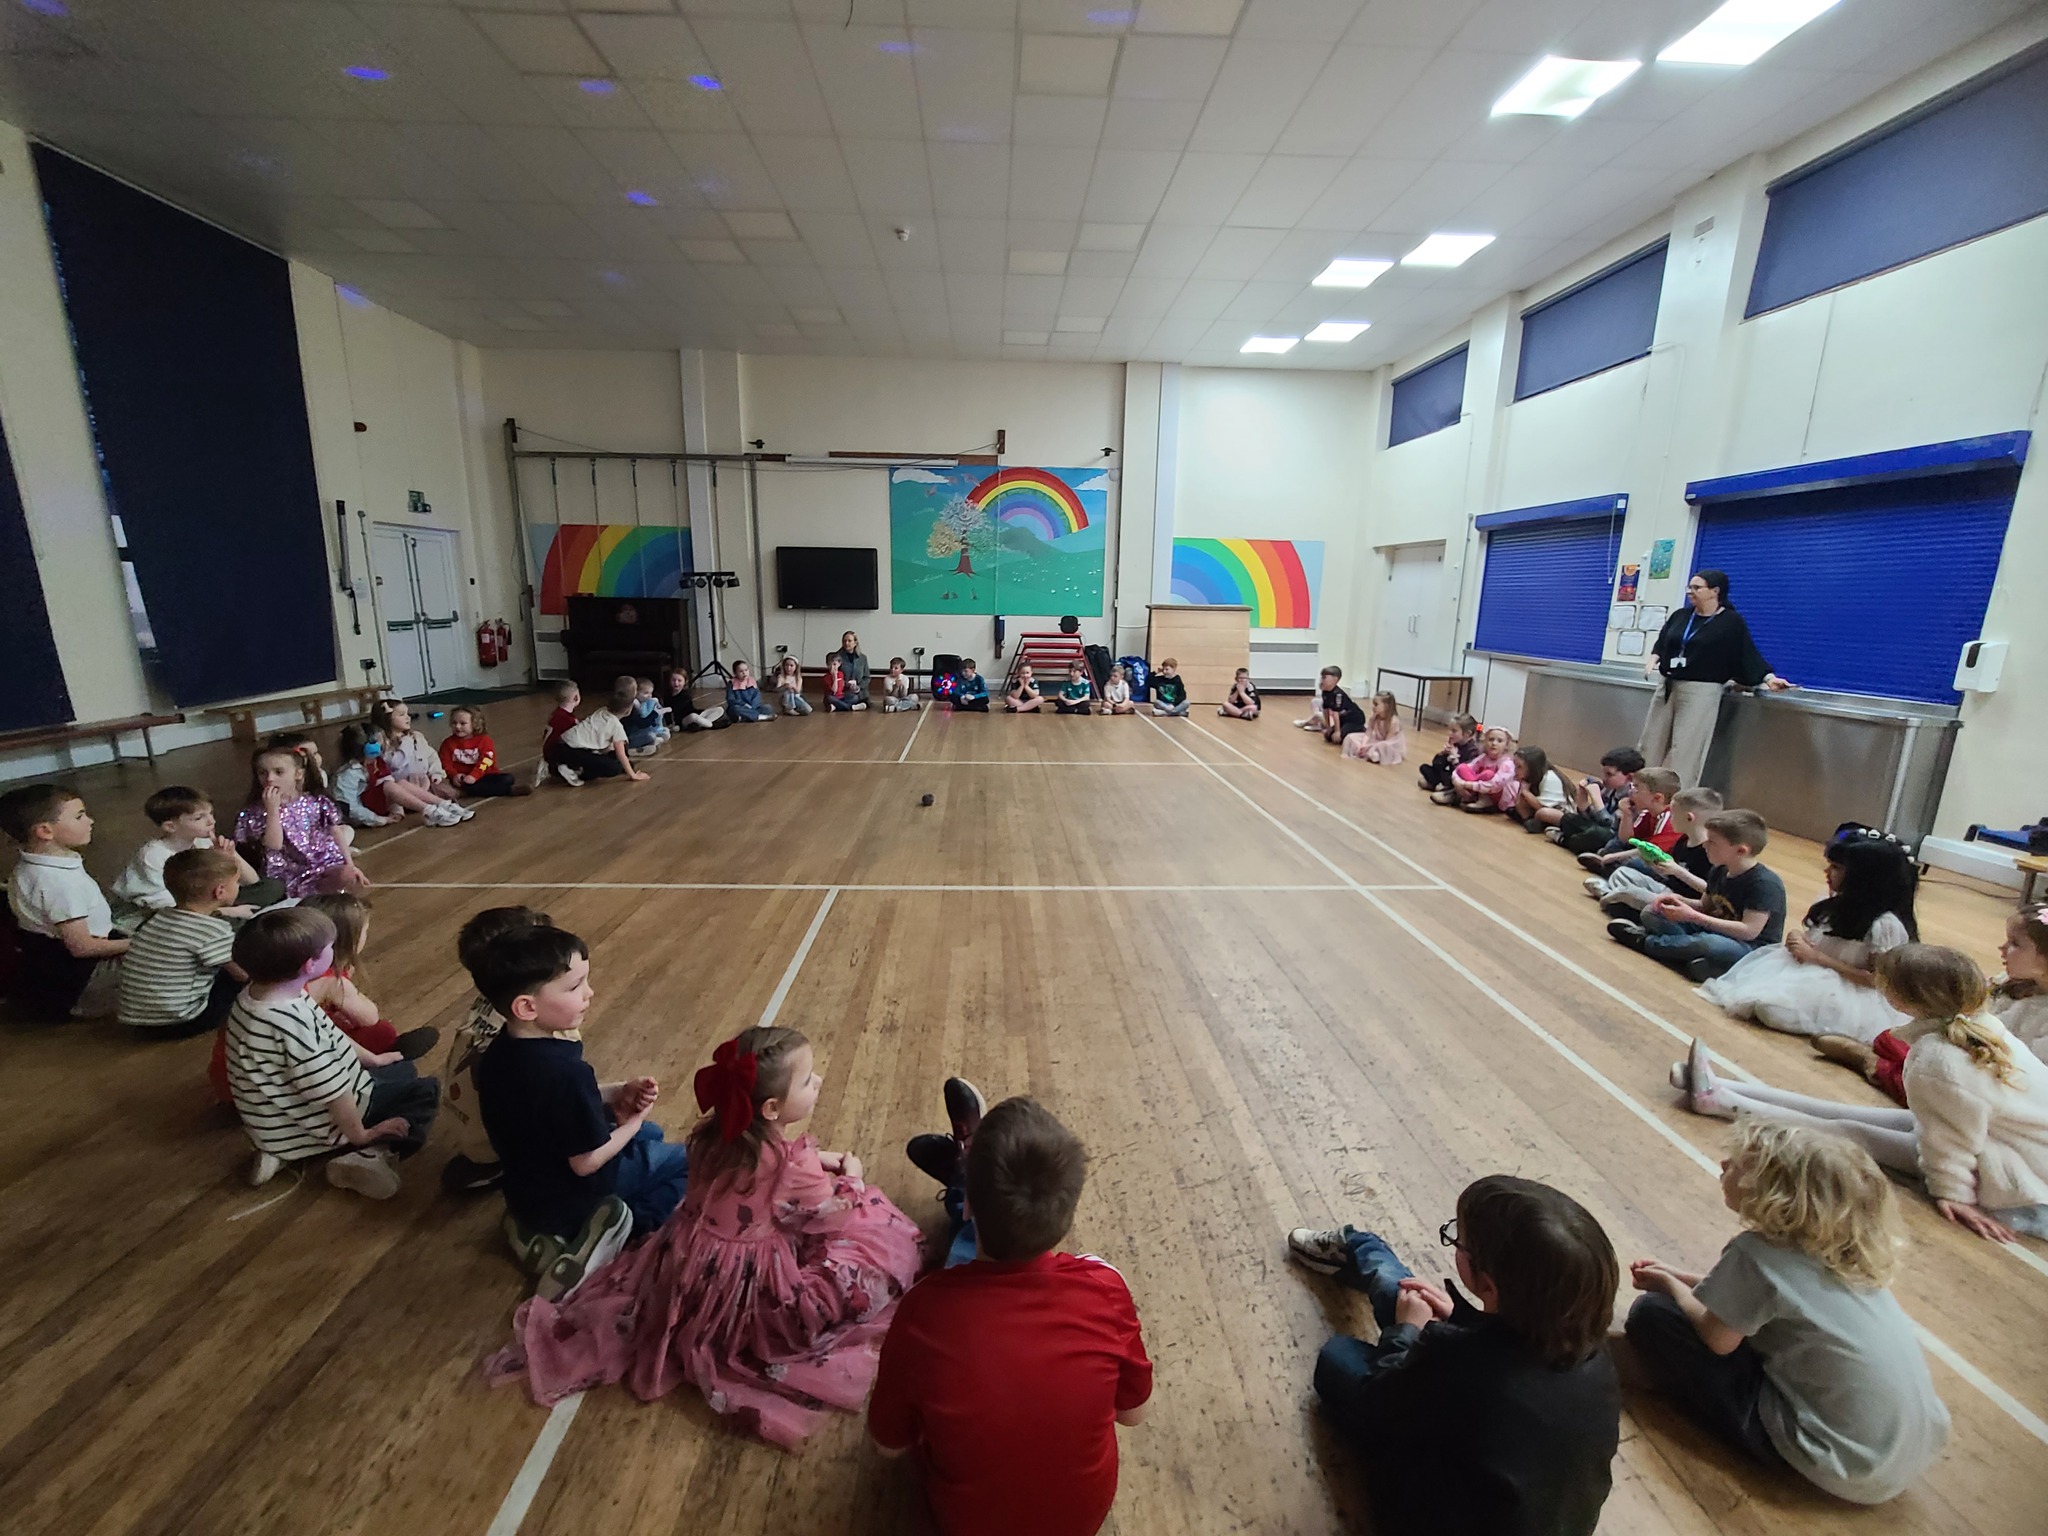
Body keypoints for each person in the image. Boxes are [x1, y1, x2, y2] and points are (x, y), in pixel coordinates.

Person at [486, 1025, 922, 1449]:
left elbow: (756, 1177)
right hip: (744, 1282)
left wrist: (805, 1163)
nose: (818, 1082)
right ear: (771, 1108)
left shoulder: (713, 1135)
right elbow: (827, 1216)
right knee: (871, 1236)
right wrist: (853, 1179)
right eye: (808, 1080)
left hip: (683, 1259)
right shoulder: (793, 1166)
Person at [869, 1095, 1154, 1536]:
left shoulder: (922, 1311)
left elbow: (888, 1446)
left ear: (970, 1204)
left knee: (959, 1268)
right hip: (1080, 1523)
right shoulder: (1105, 1288)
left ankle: (962, 1173)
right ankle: (967, 1169)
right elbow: (1132, 1414)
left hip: (965, 1525)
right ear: (1068, 1213)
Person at [1624, 1121, 1950, 1503]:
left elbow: (1716, 1338)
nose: (1724, 1165)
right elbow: (1756, 1300)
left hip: (1832, 1459)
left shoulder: (1757, 1252)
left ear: (1775, 1195)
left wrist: (1671, 1286)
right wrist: (1680, 1277)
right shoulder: (1846, 1257)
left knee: (1653, 1315)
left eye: (1739, 1165)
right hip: (1900, 1456)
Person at [1287, 1176, 1621, 1536]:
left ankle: (1363, 1247)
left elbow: (1376, 1405)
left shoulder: (1452, 1356)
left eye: (1458, 1240)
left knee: (1339, 1355)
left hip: (1430, 1514)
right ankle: (1364, 1250)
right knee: (1415, 1301)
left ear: (1488, 1285)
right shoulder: (1597, 1358)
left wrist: (1408, 1331)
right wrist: (1461, 1318)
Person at [1672, 944, 2048, 1243]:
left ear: (1902, 1000)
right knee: (1862, 1117)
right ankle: (1725, 1088)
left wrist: (1953, 1193)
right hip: (2006, 1147)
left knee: (1854, 1133)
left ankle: (1718, 1100)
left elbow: (1952, 1141)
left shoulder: (1941, 1061)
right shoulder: (1976, 1026)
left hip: (2016, 1176)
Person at [471, 924, 691, 1299]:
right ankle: (619, 1231)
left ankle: (536, 1231)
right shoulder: (564, 1073)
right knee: (689, 1162)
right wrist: (632, 1123)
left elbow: (543, 1104)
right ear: (527, 1007)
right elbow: (586, 1162)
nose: (589, 993)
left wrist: (616, 1091)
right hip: (577, 1194)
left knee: (652, 1136)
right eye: (575, 987)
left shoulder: (498, 1053)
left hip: (528, 1192)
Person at [225, 906, 438, 1198]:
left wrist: (374, 1059)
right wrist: (360, 1134)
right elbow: (333, 1090)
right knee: (426, 1090)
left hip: (275, 1123)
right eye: (329, 947)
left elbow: (328, 1032)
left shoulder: (256, 997)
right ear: (309, 965)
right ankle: (372, 1154)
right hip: (325, 1121)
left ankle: (283, 1151)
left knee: (401, 1068)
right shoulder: (291, 1023)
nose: (334, 949)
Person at [1817, 904, 2048, 1104]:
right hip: (1974, 1051)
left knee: (1932, 1080)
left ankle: (1875, 1066)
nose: (2002, 948)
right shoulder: (2012, 982)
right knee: (1890, 1040)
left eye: (2015, 944)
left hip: (2001, 1085)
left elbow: (2025, 1080)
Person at [1701, 829, 1918, 1040]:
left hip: (1848, 989)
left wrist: (1817, 958)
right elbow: (1818, 937)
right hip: (1808, 970)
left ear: (1865, 878)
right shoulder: (1833, 902)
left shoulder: (1885, 925)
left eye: (1836, 867)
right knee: (1753, 998)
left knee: (1771, 1011)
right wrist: (1797, 937)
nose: (1827, 871)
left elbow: (1877, 981)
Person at [439, 904, 556, 1196]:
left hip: (464, 1128)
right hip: (493, 1142)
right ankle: (506, 1165)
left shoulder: (487, 1002)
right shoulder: (535, 1026)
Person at [1640, 569, 1792, 789]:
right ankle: (1642, 790)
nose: (1690, 592)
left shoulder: (1730, 622)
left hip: (1701, 691)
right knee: (1651, 740)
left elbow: (1746, 654)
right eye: (1689, 587)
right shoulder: (1681, 616)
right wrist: (1654, 658)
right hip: (1668, 684)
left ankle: (1680, 796)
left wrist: (1768, 678)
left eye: (1696, 587)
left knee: (1687, 748)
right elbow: (1663, 642)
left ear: (1715, 591)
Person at [1608, 809, 1785, 982]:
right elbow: (1704, 906)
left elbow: (1749, 931)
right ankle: (1697, 960)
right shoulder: (1719, 870)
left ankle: (1646, 942)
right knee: (1652, 913)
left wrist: (1693, 916)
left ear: (1740, 850)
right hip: (1715, 930)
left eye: (1712, 842)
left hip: (1750, 950)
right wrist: (1678, 901)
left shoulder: (1764, 884)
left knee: (1708, 943)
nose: (1705, 845)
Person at [117, 848, 246, 1038]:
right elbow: (243, 974)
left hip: (137, 1019)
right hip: (180, 1021)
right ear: (220, 891)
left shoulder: (158, 917)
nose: (238, 886)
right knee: (241, 976)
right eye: (236, 882)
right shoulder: (212, 929)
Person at [112, 785, 278, 921]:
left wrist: (229, 857)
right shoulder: (153, 856)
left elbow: (253, 882)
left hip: (205, 903)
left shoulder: (202, 842)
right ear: (170, 826)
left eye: (210, 814)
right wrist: (227, 911)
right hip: (158, 916)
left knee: (272, 887)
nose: (211, 821)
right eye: (199, 818)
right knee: (232, 919)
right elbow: (171, 908)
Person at [1583, 784, 1720, 911]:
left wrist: (1678, 871)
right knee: (1622, 873)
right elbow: (1669, 872)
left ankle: (1612, 895)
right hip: (1666, 887)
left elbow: (1710, 891)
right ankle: (1615, 897)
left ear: (1689, 818)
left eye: (1673, 815)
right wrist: (1656, 865)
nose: (1670, 819)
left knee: (1632, 893)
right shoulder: (1683, 840)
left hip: (1683, 900)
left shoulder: (1710, 851)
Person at [334, 723, 465, 828]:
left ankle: (444, 805)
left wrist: (396, 808)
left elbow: (387, 784)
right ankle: (430, 811)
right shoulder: (347, 774)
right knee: (389, 785)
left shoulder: (376, 762)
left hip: (373, 806)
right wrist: (379, 820)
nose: (386, 743)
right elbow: (351, 808)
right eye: (381, 741)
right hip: (361, 817)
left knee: (400, 783)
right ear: (369, 748)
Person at [558, 676, 656, 780]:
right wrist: (634, 775)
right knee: (615, 768)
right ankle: (576, 772)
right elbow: (621, 754)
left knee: (623, 762)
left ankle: (569, 765)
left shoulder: (602, 711)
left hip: (562, 746)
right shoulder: (616, 726)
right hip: (571, 751)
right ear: (628, 710)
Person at [370, 698, 466, 805]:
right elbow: (396, 763)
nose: (408, 717)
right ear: (387, 719)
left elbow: (431, 756)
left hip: (424, 780)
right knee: (404, 799)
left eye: (407, 714)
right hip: (403, 784)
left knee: (448, 791)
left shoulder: (416, 736)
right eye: (401, 715)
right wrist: (405, 742)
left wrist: (436, 773)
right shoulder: (383, 742)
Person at [1551, 747, 1644, 854]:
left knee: (1598, 834)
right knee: (1568, 819)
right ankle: (1579, 842)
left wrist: (1597, 798)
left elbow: (1611, 825)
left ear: (1630, 777)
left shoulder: (1633, 796)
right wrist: (1582, 798)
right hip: (1600, 828)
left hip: (1614, 837)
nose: (1604, 778)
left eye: (1609, 774)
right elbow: (1593, 817)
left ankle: (1566, 841)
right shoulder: (1610, 789)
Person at [439, 705, 531, 798]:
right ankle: (508, 791)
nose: (457, 726)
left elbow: (486, 761)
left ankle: (467, 792)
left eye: (463, 723)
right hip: (462, 779)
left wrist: (474, 776)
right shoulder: (448, 743)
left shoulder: (485, 740)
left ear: (475, 724)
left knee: (508, 778)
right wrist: (454, 775)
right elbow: (445, 762)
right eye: (454, 723)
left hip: (484, 775)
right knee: (454, 784)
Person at [1437, 726, 1515, 811]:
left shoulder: (1507, 763)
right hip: (1477, 789)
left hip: (1496, 796)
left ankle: (1484, 800)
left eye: (1499, 741)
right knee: (1462, 768)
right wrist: (1457, 783)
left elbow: (1495, 785)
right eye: (1491, 739)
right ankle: (1464, 795)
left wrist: (1465, 785)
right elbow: (1459, 770)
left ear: (1506, 745)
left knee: (1488, 774)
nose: (1494, 743)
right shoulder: (1483, 758)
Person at [1502, 745, 1568, 832]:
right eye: (1514, 765)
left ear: (1532, 768)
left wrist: (1526, 792)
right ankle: (1529, 821)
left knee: (1544, 813)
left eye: (1519, 767)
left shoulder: (1550, 778)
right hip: (1540, 810)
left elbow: (1543, 807)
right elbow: (1519, 803)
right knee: (1519, 805)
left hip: (1559, 813)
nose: (1515, 770)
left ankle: (1537, 824)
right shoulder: (1529, 777)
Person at [1416, 712, 1482, 794]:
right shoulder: (1455, 743)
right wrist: (1443, 754)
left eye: (1454, 731)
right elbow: (1436, 765)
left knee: (1447, 778)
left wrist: (1454, 758)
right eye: (1450, 730)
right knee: (1424, 767)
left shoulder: (1473, 751)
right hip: (1450, 775)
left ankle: (1441, 787)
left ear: (1467, 734)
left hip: (1460, 780)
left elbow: (1463, 775)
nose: (1450, 734)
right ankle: (1439, 785)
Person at [536, 679, 584, 786]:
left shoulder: (554, 715)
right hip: (558, 753)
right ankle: (568, 768)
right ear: (576, 698)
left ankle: (549, 767)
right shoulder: (570, 720)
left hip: (547, 752)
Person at [1343, 690, 1407, 764]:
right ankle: (1365, 752)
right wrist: (1363, 745)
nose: (1373, 707)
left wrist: (1370, 747)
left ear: (1386, 706)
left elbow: (1387, 742)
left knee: (1380, 749)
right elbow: (1368, 733)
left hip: (1388, 745)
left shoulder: (1394, 721)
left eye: (1376, 705)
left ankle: (1372, 754)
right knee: (1350, 737)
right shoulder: (1374, 718)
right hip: (1377, 740)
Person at [1311, 665, 1362, 743]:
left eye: (1324, 678)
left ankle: (1360, 729)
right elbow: (1326, 710)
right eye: (1321, 678)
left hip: (1354, 719)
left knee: (1339, 738)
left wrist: (1337, 731)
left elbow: (1336, 713)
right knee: (1328, 736)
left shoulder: (1338, 694)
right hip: (1343, 719)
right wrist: (1328, 727)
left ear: (1335, 680)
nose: (1321, 680)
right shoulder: (1325, 692)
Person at [830, 629, 870, 710]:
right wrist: (846, 684)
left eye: (849, 641)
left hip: (858, 692)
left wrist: (859, 687)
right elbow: (833, 675)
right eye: (844, 641)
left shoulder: (863, 658)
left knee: (855, 698)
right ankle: (851, 707)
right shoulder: (837, 658)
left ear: (855, 643)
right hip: (843, 691)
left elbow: (867, 677)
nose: (846, 643)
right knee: (830, 698)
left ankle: (837, 706)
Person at [624, 678, 666, 751]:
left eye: (651, 693)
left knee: (664, 732)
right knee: (650, 736)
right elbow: (642, 724)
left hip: (639, 731)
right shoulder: (633, 707)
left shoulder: (645, 703)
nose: (649, 696)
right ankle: (635, 748)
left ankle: (650, 743)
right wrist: (655, 713)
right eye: (646, 693)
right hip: (630, 737)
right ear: (636, 693)